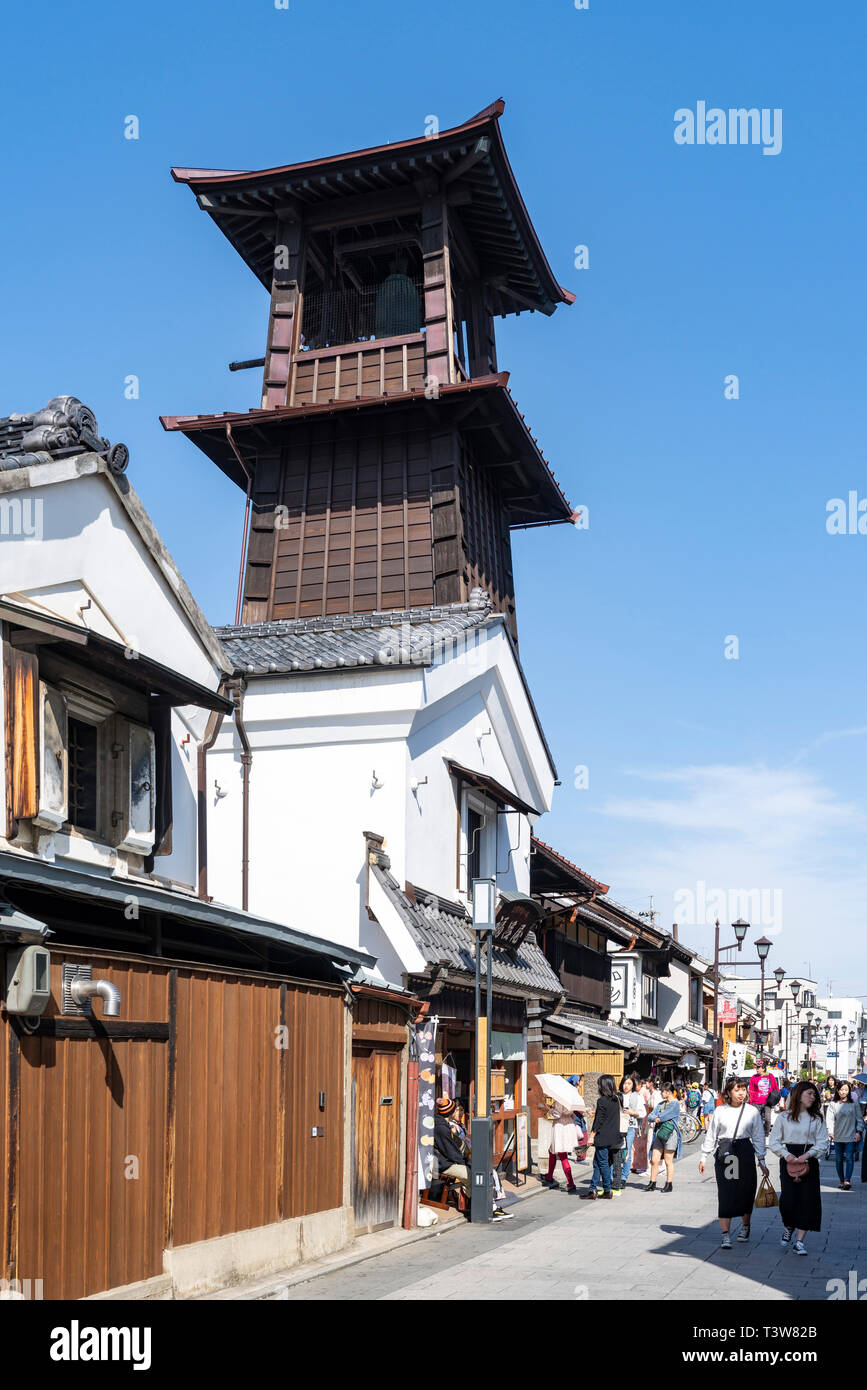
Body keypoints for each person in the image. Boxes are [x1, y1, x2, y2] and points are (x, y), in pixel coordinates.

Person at [699, 1076, 768, 1248]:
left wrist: (761, 1159)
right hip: (726, 1152)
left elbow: (758, 1136)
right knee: (727, 1192)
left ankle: (745, 1226)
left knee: (746, 1191)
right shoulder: (720, 1111)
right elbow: (712, 1134)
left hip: (744, 1150)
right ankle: (725, 1234)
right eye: (737, 1090)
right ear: (729, 1092)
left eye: (743, 1089)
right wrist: (704, 1156)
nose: (741, 1093)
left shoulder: (751, 1111)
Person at [768, 1081, 829, 1256]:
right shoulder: (783, 1117)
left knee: (808, 1201)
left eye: (814, 1094)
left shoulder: (816, 1118)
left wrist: (808, 1155)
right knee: (788, 1200)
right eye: (809, 1093)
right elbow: (774, 1141)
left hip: (809, 1160)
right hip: (788, 1158)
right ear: (799, 1094)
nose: (813, 1097)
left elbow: (823, 1142)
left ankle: (800, 1242)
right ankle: (789, 1225)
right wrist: (786, 1155)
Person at [580, 1074, 622, 1200]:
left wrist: (592, 1136)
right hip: (612, 1136)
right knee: (597, 1163)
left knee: (602, 1163)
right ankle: (592, 1189)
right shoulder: (615, 1099)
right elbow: (608, 1117)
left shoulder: (602, 1101)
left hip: (602, 1137)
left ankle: (607, 1190)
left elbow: (599, 1121)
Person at [827, 1081, 865, 1190]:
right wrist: (830, 1131)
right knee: (838, 1159)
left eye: (846, 1090)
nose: (843, 1092)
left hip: (851, 1135)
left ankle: (847, 1180)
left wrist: (858, 1132)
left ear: (849, 1091)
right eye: (841, 1089)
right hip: (837, 1135)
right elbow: (829, 1119)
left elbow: (859, 1119)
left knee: (849, 1158)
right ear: (837, 1090)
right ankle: (841, 1180)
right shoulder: (833, 1104)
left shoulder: (854, 1104)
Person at [645, 1082, 683, 1192]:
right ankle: (652, 1182)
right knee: (654, 1159)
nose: (661, 1093)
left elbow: (664, 1116)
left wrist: (657, 1118)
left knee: (668, 1160)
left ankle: (669, 1184)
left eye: (662, 1091)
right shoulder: (661, 1104)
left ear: (668, 1092)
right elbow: (651, 1116)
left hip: (671, 1134)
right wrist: (656, 1118)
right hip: (659, 1133)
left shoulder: (675, 1103)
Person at [540, 1096, 581, 1195]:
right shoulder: (570, 1099)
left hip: (560, 1127)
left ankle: (571, 1183)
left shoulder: (560, 1099)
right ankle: (549, 1176)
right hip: (568, 1126)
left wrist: (548, 1110)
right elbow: (572, 1114)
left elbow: (557, 1114)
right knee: (552, 1150)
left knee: (563, 1156)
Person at [619, 1075, 647, 1186]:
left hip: (630, 1126)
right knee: (616, 1151)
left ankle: (624, 1177)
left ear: (633, 1085)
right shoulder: (617, 1095)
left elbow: (643, 1113)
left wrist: (632, 1113)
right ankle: (613, 1175)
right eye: (625, 1083)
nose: (626, 1086)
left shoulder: (637, 1097)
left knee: (627, 1150)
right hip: (617, 1126)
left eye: (629, 1084)